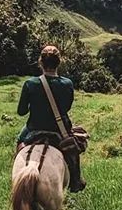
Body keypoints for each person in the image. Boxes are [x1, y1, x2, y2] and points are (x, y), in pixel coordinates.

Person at [16, 45, 86, 192]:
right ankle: (76, 180)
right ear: (58, 63)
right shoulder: (67, 83)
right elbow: (66, 108)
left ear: (40, 62)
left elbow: (21, 112)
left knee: (19, 140)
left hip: (34, 128)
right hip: (59, 129)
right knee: (72, 151)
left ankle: (17, 175)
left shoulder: (30, 84)